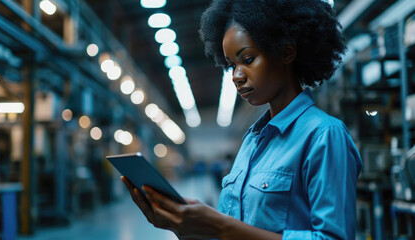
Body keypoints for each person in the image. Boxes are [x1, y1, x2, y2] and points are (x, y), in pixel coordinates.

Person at [121, 0, 362, 239]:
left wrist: (220, 227)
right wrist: (183, 225)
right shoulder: (252, 142)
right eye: (231, 65)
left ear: (286, 52)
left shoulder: (324, 136)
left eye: (247, 60)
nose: (236, 76)